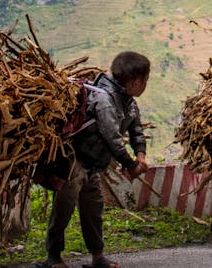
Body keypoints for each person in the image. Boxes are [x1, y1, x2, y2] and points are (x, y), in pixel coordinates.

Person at [43, 51, 151, 268]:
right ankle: (53, 256)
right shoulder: (105, 101)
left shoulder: (127, 101)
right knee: (63, 207)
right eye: (146, 81)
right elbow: (113, 138)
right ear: (136, 82)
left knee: (93, 209)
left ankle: (97, 256)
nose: (146, 85)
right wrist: (130, 165)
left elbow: (136, 129)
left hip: (93, 165)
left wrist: (140, 155)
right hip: (74, 162)